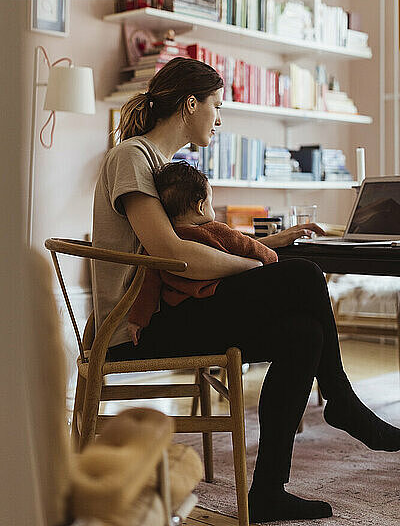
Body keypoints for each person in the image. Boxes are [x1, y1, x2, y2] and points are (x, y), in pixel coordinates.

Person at [92, 57, 400, 523]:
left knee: (303, 333)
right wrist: (257, 265)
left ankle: (269, 491)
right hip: (137, 326)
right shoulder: (131, 157)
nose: (219, 119)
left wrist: (272, 244)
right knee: (302, 276)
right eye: (216, 106)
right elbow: (171, 253)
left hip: (172, 311)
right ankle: (343, 403)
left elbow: (201, 238)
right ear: (190, 104)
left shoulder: (165, 165)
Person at [127, 160, 278, 341]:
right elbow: (258, 251)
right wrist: (271, 258)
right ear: (200, 206)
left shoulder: (157, 244)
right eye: (210, 203)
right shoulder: (218, 231)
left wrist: (138, 320)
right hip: (220, 306)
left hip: (178, 312)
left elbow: (148, 286)